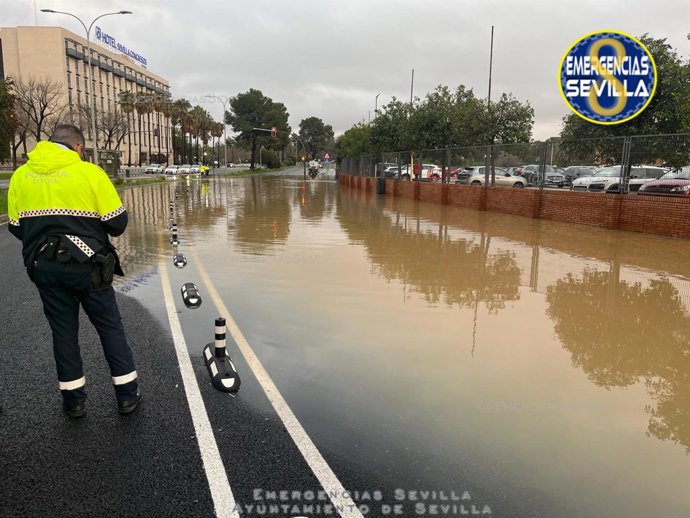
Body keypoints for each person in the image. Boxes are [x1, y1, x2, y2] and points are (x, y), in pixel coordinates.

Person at [7, 124, 141, 418]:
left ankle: (74, 402)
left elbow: (16, 228)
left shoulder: (21, 176)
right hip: (89, 268)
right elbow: (117, 224)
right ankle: (127, 396)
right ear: (78, 148)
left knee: (63, 332)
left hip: (45, 269)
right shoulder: (90, 173)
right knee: (109, 327)